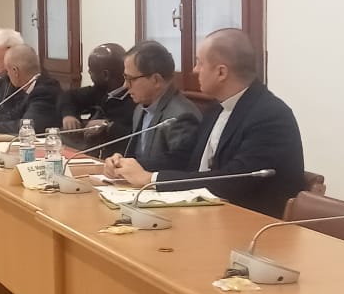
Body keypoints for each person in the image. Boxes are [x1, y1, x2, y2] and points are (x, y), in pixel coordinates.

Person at [107, 29, 304, 218]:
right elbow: (184, 158)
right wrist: (128, 166)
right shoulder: (217, 108)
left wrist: (150, 179)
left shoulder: (270, 116)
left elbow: (233, 179)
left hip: (251, 224)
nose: (194, 70)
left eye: (199, 63)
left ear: (221, 72)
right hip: (207, 214)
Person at [102, 40, 201, 174]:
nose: (125, 85)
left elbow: (178, 164)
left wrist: (131, 165)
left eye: (130, 79)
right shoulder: (140, 108)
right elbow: (136, 154)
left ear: (156, 80)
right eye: (125, 78)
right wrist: (118, 160)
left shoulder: (181, 116)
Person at [58, 43, 135, 155]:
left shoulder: (134, 98)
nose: (89, 73)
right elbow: (68, 96)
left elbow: (135, 135)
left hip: (113, 155)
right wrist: (68, 114)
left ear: (105, 75)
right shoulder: (100, 90)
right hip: (89, 148)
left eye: (91, 70)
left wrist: (107, 126)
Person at [0, 44, 61, 135]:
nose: (7, 75)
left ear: (15, 71)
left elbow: (28, 126)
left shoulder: (45, 91)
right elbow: (14, 114)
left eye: (8, 71)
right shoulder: (32, 87)